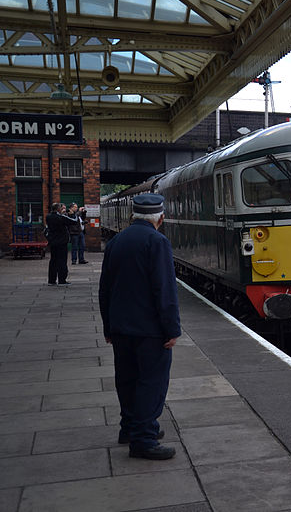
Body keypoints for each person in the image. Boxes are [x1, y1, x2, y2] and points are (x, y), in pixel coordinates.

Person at [99, 193, 181, 460]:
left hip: (122, 327)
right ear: (160, 217)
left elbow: (105, 289)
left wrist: (108, 326)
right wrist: (171, 329)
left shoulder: (116, 241)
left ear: (133, 214)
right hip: (149, 330)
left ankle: (129, 429)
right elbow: (164, 290)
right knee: (151, 383)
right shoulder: (157, 241)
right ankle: (144, 439)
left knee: (127, 380)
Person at [45, 203, 71, 286]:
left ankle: (51, 280)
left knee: (53, 261)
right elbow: (73, 221)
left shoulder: (48, 217)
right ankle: (62, 280)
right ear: (58, 209)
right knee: (62, 261)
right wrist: (74, 214)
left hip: (53, 242)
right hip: (62, 242)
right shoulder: (60, 217)